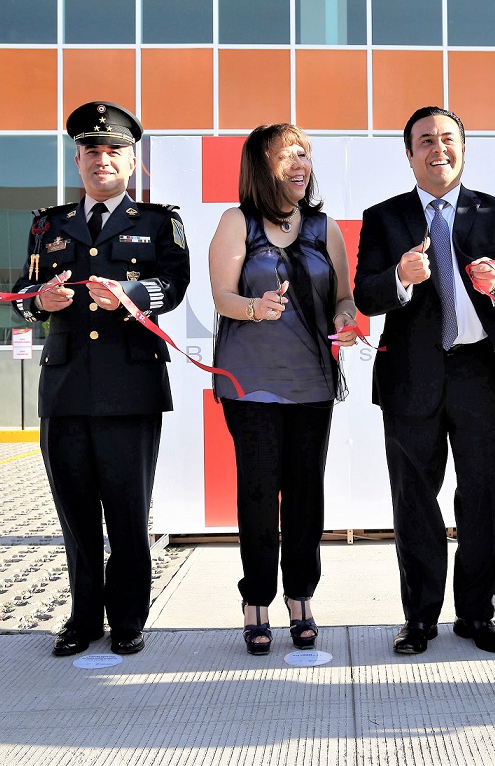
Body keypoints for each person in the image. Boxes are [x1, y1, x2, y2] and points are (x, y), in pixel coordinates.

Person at [354, 106, 495, 655]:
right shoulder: (385, 217)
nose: (437, 149)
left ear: (463, 148)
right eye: (425, 141)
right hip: (411, 376)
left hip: (480, 371)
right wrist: (399, 277)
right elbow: (367, 293)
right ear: (409, 153)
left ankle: (477, 616)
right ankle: (419, 619)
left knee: (484, 498)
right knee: (414, 500)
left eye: (447, 139)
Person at [11, 101, 189, 657]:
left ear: (132, 163)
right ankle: (84, 616)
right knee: (76, 513)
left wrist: (130, 297)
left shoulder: (160, 222)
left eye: (114, 150)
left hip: (129, 387)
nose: (102, 159)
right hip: (64, 388)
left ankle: (129, 617)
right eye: (92, 150)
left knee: (128, 511)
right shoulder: (50, 223)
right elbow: (21, 298)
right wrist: (41, 301)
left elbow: (174, 286)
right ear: (78, 159)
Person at [208, 124, 358, 655]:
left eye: (306, 154)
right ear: (261, 165)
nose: (302, 163)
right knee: (257, 493)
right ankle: (256, 603)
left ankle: (301, 599)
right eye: (290, 154)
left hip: (312, 384)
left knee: (304, 496)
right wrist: (256, 308)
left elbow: (344, 297)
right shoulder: (237, 222)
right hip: (250, 385)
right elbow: (222, 296)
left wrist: (346, 319)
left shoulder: (323, 227)